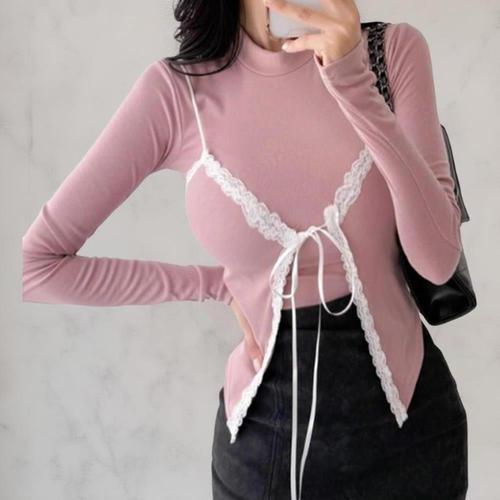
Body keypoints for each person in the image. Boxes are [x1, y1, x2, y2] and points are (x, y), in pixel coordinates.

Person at [21, 0, 469, 498]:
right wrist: (216, 285)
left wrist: (353, 84)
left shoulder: (393, 53)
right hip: (262, 455)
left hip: (414, 443)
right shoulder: (178, 93)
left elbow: (438, 260)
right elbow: (37, 266)